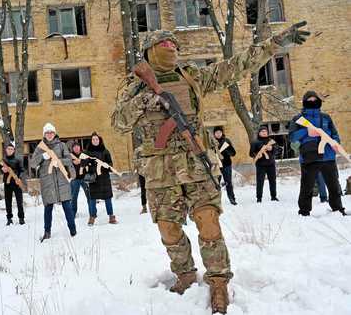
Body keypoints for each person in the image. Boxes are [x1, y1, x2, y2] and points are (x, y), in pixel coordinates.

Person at [112, 22, 309, 314]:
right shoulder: (134, 85)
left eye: (174, 46)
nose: (171, 49)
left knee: (208, 222)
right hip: (160, 172)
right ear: (149, 51)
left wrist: (274, 44)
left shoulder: (191, 76)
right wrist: (146, 98)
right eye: (164, 45)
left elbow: (235, 67)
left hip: (197, 164)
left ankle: (218, 282)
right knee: (168, 229)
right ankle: (186, 275)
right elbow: (119, 122)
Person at [289, 91, 346, 216]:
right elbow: (292, 137)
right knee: (307, 187)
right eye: (309, 100)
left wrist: (335, 143)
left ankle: (338, 208)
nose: (312, 102)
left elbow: (334, 134)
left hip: (328, 157)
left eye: (314, 99)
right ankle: (304, 211)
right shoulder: (298, 119)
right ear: (304, 102)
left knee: (333, 186)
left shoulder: (325, 117)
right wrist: (306, 131)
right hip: (309, 157)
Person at [30, 123, 77, 241]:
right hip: (47, 182)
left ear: (54, 133)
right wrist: (42, 157)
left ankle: (73, 229)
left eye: (51, 132)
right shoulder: (40, 148)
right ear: (44, 134)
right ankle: (47, 231)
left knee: (67, 206)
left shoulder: (61, 145)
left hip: (61, 180)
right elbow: (32, 163)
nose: (49, 134)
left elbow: (69, 160)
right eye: (47, 133)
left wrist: (59, 161)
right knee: (48, 208)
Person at [84, 132, 117, 225]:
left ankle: (111, 216)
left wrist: (105, 166)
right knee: (92, 199)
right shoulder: (87, 152)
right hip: (93, 179)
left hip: (104, 178)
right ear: (91, 141)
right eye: (93, 139)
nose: (95, 141)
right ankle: (92, 217)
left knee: (108, 198)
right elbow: (83, 164)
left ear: (100, 140)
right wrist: (91, 164)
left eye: (97, 139)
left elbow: (111, 164)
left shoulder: (105, 151)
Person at [249, 126, 279, 203]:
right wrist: (257, 155)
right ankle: (259, 198)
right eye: (262, 131)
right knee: (260, 181)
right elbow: (251, 153)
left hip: (271, 164)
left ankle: (273, 196)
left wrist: (272, 149)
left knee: (273, 181)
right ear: (259, 133)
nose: (264, 133)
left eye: (265, 131)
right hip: (260, 165)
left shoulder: (271, 141)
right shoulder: (255, 142)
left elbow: (277, 150)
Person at [0, 143, 25, 226]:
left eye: (11, 149)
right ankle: (9, 218)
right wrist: (2, 170)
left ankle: (21, 218)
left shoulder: (18, 160)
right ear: (6, 150)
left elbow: (22, 170)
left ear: (14, 150)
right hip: (7, 183)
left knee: (19, 201)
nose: (10, 150)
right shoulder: (3, 160)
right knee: (8, 201)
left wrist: (19, 178)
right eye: (8, 149)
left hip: (16, 183)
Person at [213, 127, 237, 205]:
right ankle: (216, 201)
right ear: (214, 134)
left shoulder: (226, 141)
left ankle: (232, 199)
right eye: (216, 133)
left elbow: (233, 153)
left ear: (222, 133)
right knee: (216, 183)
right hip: (216, 166)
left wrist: (227, 150)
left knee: (228, 182)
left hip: (227, 164)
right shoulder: (212, 142)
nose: (218, 134)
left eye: (220, 132)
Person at [70, 141, 90, 217]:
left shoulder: (84, 154)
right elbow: (66, 164)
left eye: (77, 146)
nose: (76, 148)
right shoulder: (70, 156)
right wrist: (72, 162)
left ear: (80, 147)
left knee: (89, 195)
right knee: (73, 196)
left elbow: (88, 162)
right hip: (75, 179)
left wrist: (80, 161)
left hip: (85, 178)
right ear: (72, 148)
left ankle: (92, 212)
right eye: (74, 147)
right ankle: (73, 213)